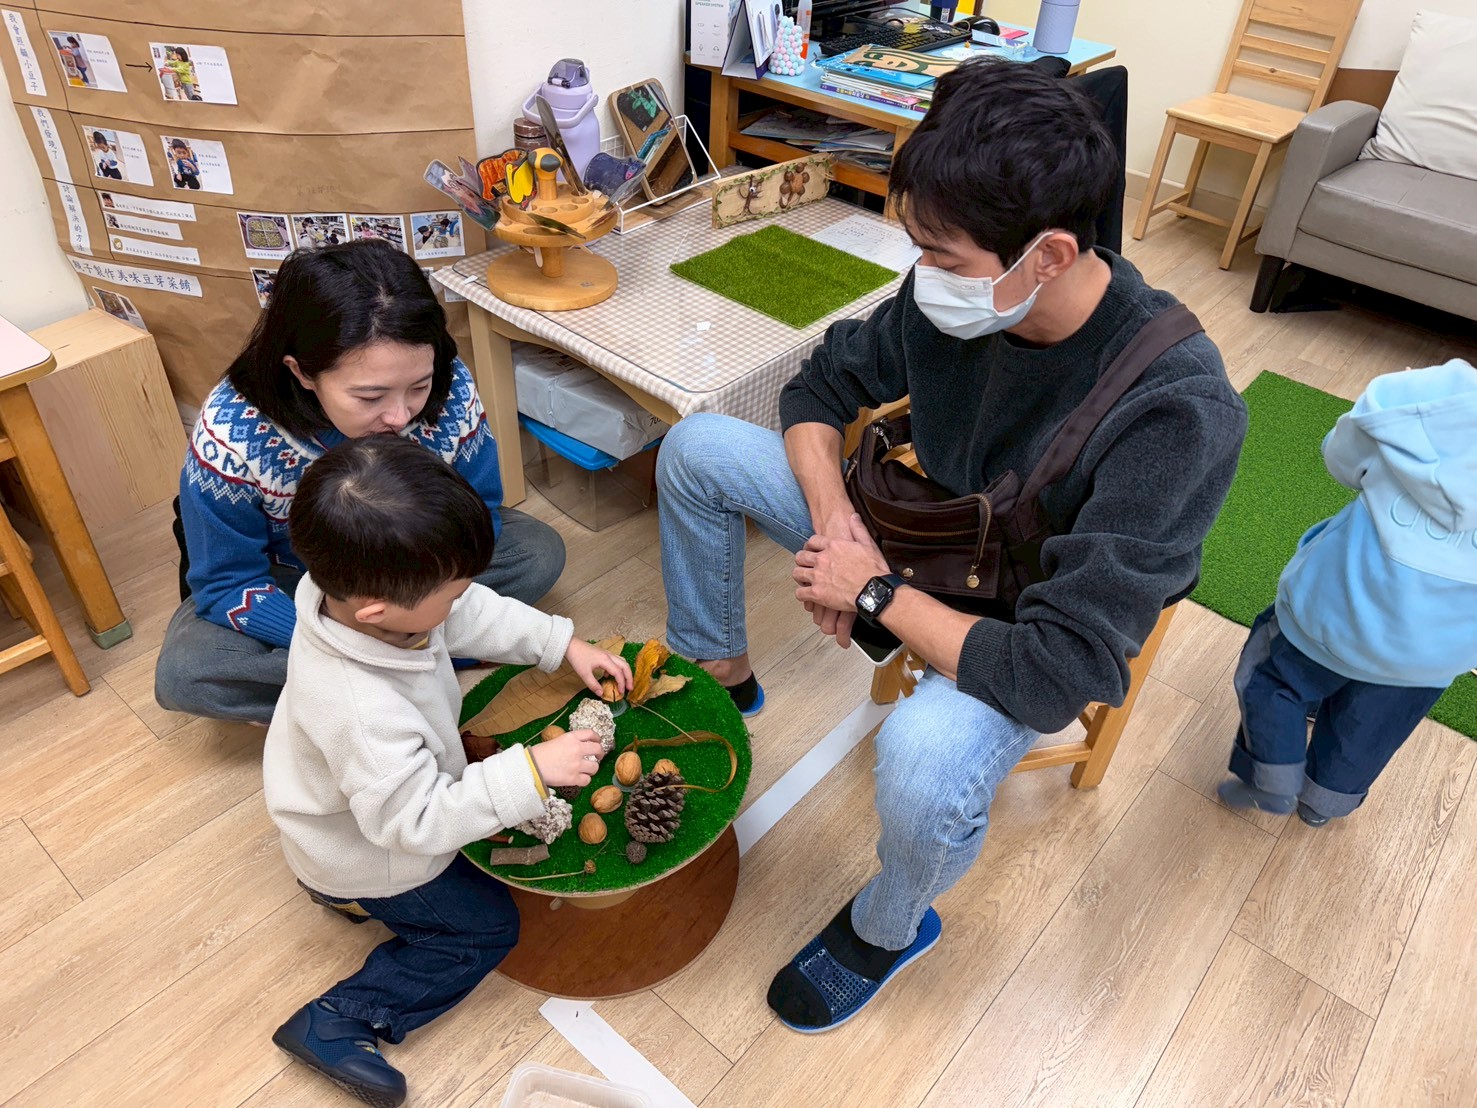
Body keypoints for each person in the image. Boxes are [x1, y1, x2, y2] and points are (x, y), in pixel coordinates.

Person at [654, 60, 1248, 1032]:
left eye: (941, 255)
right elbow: (817, 388)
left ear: (1048, 255)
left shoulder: (1176, 413)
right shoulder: (963, 290)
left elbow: (1055, 674)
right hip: (917, 539)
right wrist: (836, 528)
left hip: (1016, 622)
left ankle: (890, 924)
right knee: (697, 450)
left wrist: (873, 593)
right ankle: (720, 667)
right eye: (918, 248)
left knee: (923, 760)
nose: (921, 273)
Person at [264, 434, 630, 1107]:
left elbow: (471, 613)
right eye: (451, 592)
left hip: (362, 804)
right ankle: (341, 1018)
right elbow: (413, 823)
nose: (462, 601)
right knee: (486, 928)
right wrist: (530, 771)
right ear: (380, 611)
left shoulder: (361, 601)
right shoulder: (360, 709)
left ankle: (335, 896)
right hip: (371, 848)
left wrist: (562, 643)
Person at [155, 239, 566, 725]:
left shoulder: (449, 383)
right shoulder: (231, 432)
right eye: (370, 397)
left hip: (426, 565)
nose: (399, 416)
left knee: (537, 552)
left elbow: (482, 507)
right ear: (302, 372)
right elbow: (226, 582)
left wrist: (419, 593)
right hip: (303, 584)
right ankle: (421, 659)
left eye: (418, 386)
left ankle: (376, 674)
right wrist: (338, 639)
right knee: (189, 673)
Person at [1219, 359, 1477, 826]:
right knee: (1372, 727)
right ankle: (1322, 805)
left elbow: (1340, 455)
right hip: (1435, 652)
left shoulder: (1436, 394)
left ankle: (1269, 782)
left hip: (1334, 615)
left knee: (1273, 681)